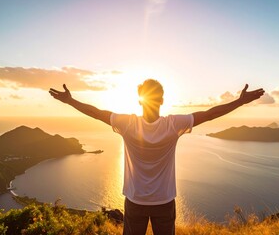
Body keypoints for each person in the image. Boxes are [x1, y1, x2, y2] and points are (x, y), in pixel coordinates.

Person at [49, 79, 264, 235]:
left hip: (135, 201)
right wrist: (239, 102)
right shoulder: (173, 125)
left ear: (141, 100)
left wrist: (71, 101)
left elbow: (96, 113)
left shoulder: (128, 123)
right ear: (161, 100)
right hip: (164, 202)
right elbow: (209, 114)